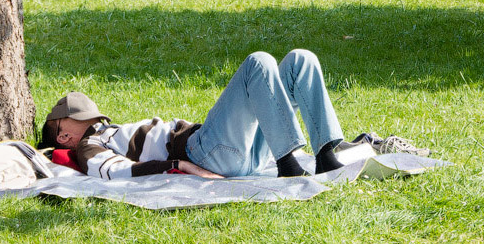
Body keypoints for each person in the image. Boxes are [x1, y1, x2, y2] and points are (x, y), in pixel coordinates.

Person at [40, 49, 345, 179]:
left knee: (300, 60)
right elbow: (117, 171)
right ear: (63, 134)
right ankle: (288, 164)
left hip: (248, 153)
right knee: (258, 62)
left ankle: (325, 153)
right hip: (206, 152)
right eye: (68, 114)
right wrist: (178, 164)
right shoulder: (89, 146)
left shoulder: (111, 132)